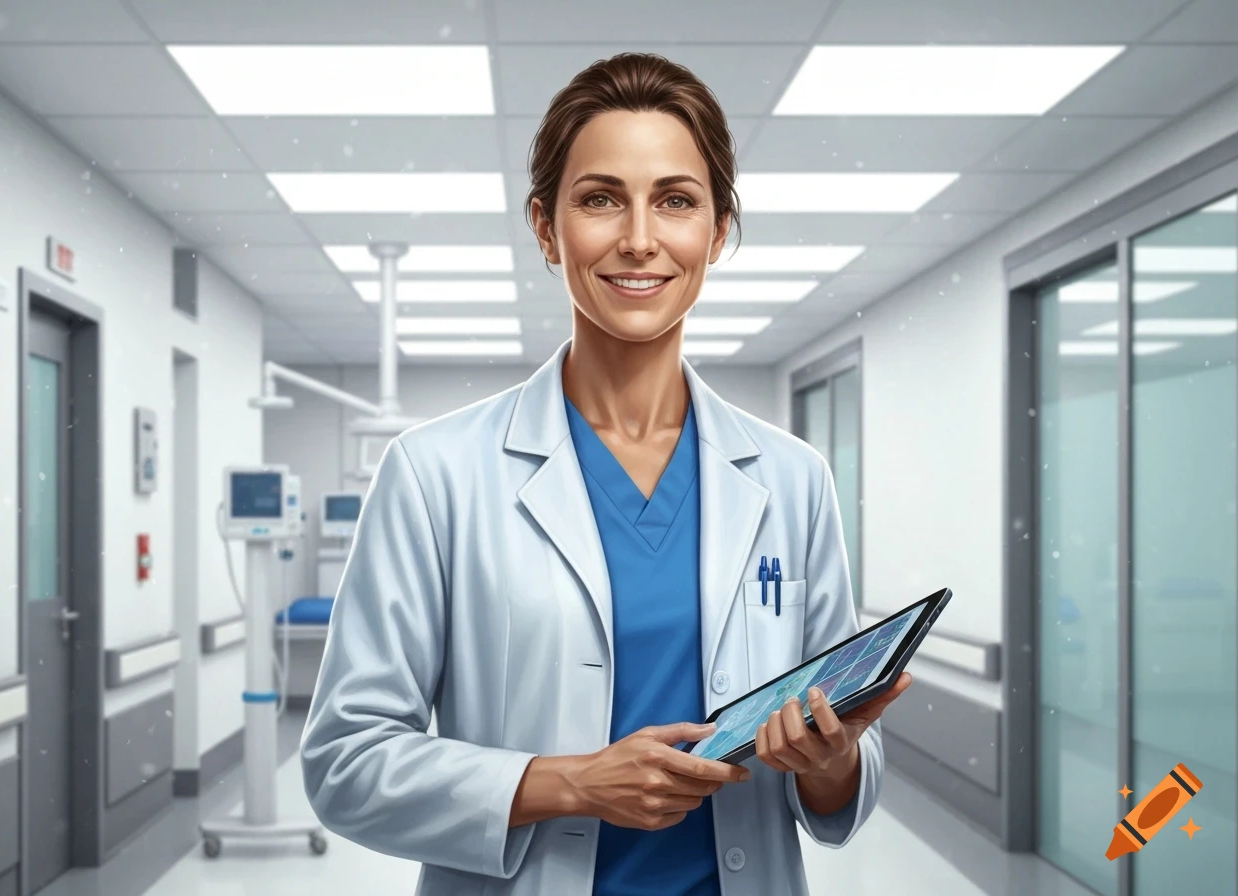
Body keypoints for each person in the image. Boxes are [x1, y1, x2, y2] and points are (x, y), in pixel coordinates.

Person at [301, 52, 912, 896]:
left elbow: (843, 783)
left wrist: (831, 757)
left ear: (717, 231)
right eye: (599, 199)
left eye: (675, 201)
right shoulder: (434, 475)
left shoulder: (791, 478)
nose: (638, 238)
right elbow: (347, 761)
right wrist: (571, 783)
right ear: (547, 229)